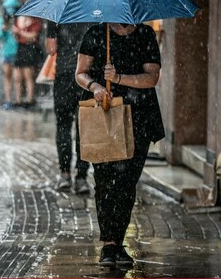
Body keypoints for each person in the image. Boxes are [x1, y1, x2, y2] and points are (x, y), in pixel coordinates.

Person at [75, 23, 165, 267]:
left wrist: (118, 78)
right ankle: (108, 245)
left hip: (139, 119)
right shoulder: (96, 33)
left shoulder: (145, 34)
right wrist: (95, 86)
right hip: (104, 117)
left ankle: (119, 240)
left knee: (126, 183)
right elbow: (81, 73)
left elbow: (152, 77)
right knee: (104, 181)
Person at [45, 21, 92, 194]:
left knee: (63, 125)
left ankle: (65, 175)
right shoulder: (94, 11)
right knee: (84, 128)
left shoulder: (58, 14)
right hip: (87, 78)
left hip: (64, 76)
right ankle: (81, 177)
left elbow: (51, 49)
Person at [12, 5, 43, 108]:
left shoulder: (35, 21)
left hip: (30, 49)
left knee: (28, 76)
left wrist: (21, 32)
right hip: (20, 48)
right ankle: (18, 100)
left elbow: (33, 36)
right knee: (17, 76)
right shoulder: (19, 20)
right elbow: (16, 35)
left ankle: (30, 99)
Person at [0, 0, 20, 110]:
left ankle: (18, 100)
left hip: (17, 51)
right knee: (7, 77)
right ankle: (8, 100)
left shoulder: (19, 20)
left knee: (17, 78)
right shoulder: (1, 21)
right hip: (6, 52)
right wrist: (3, 29)